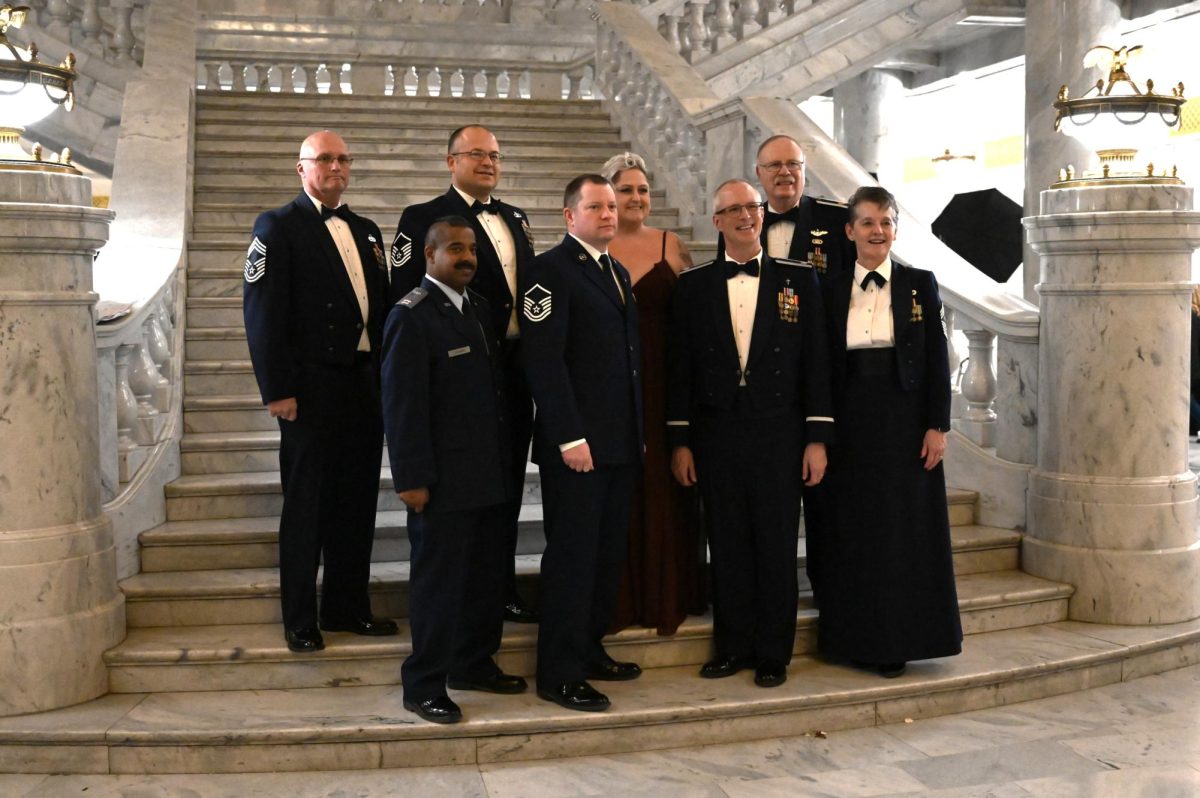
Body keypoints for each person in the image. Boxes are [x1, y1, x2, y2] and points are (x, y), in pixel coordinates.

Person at [667, 178, 834, 688]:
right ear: (716, 221)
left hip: (780, 431)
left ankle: (772, 652)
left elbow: (816, 363)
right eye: (732, 209)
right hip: (717, 431)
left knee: (777, 542)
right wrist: (680, 439)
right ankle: (732, 645)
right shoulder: (692, 286)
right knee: (727, 540)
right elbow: (681, 370)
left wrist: (817, 438)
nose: (746, 215)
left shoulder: (799, 279)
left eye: (752, 207)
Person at [242, 130, 398, 653]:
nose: (335, 166)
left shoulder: (368, 230)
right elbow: (262, 314)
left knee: (356, 501)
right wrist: (277, 389)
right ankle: (300, 618)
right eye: (324, 159)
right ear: (301, 168)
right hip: (309, 388)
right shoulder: (277, 227)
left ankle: (347, 607)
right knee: (307, 504)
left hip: (362, 383)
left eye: (342, 159)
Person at [388, 125, 538, 625]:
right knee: (457, 502)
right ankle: (451, 606)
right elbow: (405, 294)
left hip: (513, 370)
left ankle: (502, 586)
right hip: (455, 369)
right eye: (476, 154)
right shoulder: (420, 218)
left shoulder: (515, 217)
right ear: (451, 160)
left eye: (494, 154)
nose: (488, 162)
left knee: (506, 486)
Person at [381, 216, 528, 725]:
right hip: (442, 482)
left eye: (471, 250)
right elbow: (403, 407)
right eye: (455, 250)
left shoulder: (481, 309)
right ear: (430, 255)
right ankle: (423, 683)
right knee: (439, 585)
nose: (466, 258)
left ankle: (473, 663)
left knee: (487, 579)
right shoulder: (411, 316)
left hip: (489, 475)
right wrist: (412, 479)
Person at [817, 185, 962, 679]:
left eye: (886, 222)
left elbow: (938, 358)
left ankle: (899, 640)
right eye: (867, 223)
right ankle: (851, 637)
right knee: (854, 530)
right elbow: (818, 366)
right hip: (849, 420)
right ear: (849, 230)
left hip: (904, 423)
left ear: (894, 229)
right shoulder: (829, 289)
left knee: (902, 534)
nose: (877, 231)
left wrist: (936, 424)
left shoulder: (921, 283)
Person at [519, 174, 644, 712]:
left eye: (612, 206)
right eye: (596, 207)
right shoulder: (548, 272)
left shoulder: (615, 270)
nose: (609, 214)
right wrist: (569, 434)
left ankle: (589, 649)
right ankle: (558, 672)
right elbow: (543, 361)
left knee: (605, 554)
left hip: (618, 443)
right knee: (572, 557)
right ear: (570, 216)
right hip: (577, 446)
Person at [600, 152, 705, 636]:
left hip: (665, 385)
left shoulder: (671, 243)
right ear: (606, 197)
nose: (636, 198)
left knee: (665, 485)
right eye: (626, 190)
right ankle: (619, 599)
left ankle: (670, 594)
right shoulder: (592, 247)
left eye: (642, 190)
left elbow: (693, 325)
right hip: (613, 386)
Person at [753, 134, 857, 607]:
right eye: (774, 165)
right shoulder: (743, 219)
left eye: (792, 164)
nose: (784, 173)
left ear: (804, 169)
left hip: (827, 377)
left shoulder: (837, 220)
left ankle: (831, 587)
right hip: (767, 386)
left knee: (828, 497)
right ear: (759, 174)